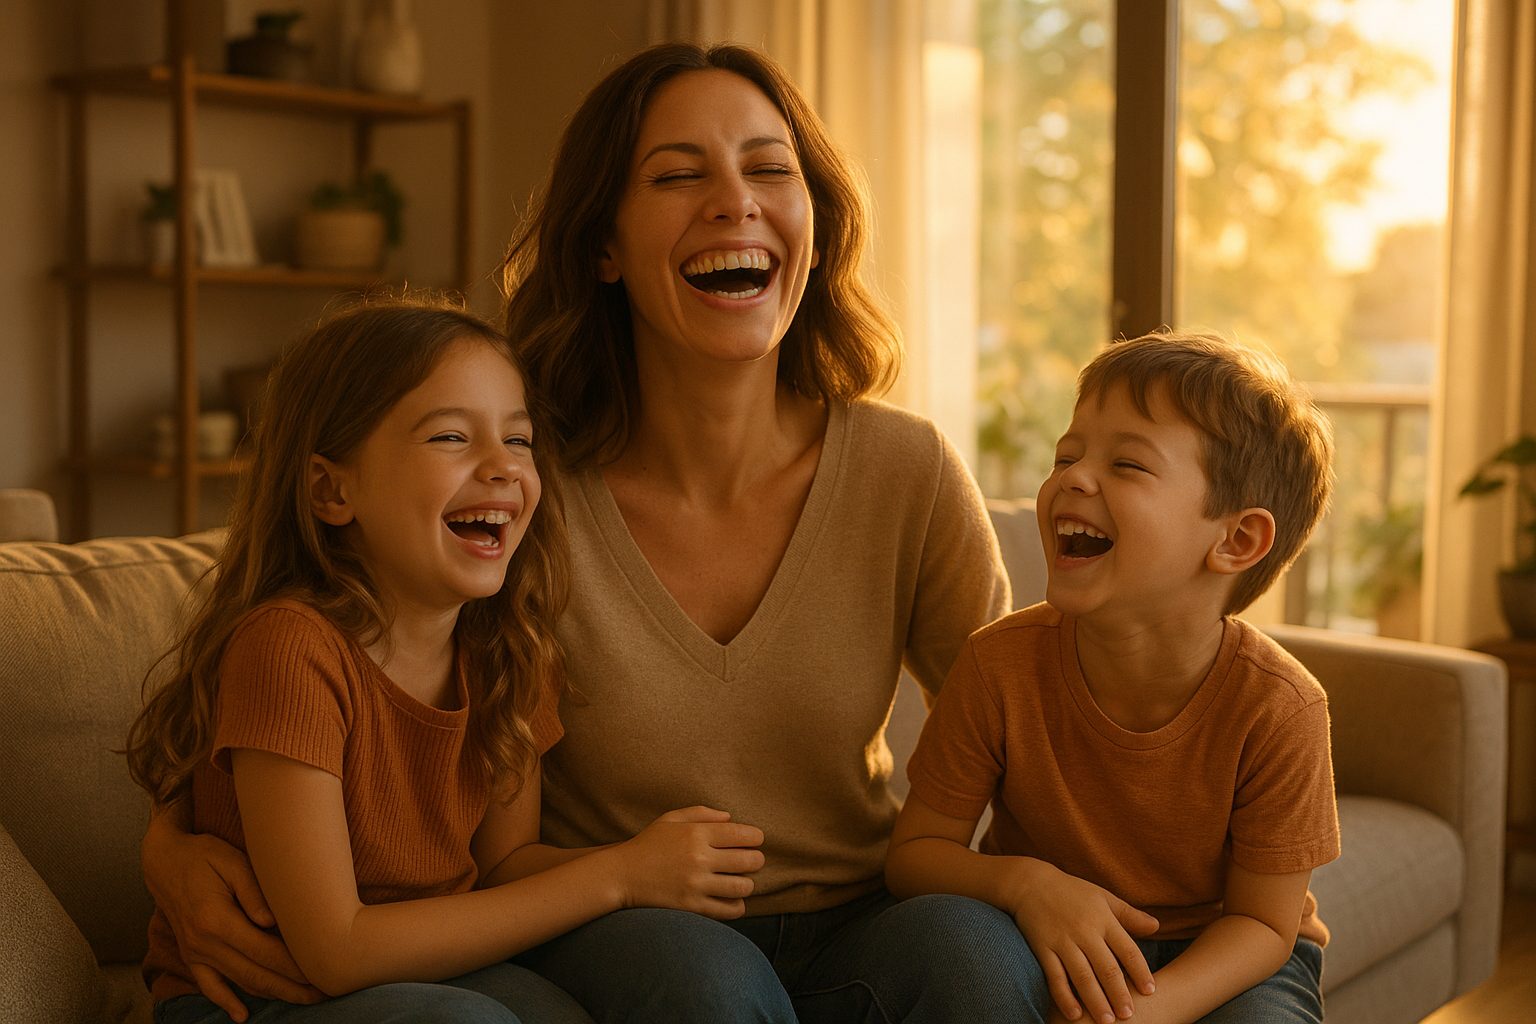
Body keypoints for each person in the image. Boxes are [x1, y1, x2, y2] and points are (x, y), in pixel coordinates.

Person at [142, 42, 1040, 1023]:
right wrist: (170, 855)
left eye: (770, 168)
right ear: (603, 247)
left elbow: (1035, 737)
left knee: (978, 960)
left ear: (813, 226)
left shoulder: (906, 472)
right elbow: (321, 675)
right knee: (709, 988)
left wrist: (1044, 887)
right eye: (678, 174)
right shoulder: (514, 484)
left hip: (861, 911)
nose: (735, 200)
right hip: (627, 932)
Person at [126, 297, 766, 1024]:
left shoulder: (510, 650)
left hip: (430, 971)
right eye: (452, 437)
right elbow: (336, 948)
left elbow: (502, 869)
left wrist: (651, 867)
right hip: (257, 995)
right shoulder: (290, 649)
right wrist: (614, 877)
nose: (501, 468)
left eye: (519, 441)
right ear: (333, 490)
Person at [886, 330, 1341, 1024]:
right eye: (1067, 455)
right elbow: (914, 856)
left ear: (1235, 540)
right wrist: (1027, 885)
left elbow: (1264, 926)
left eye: (1126, 464)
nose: (1072, 476)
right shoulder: (997, 665)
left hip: (1223, 954)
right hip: (1043, 933)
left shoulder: (1282, 709)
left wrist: (1146, 1013)